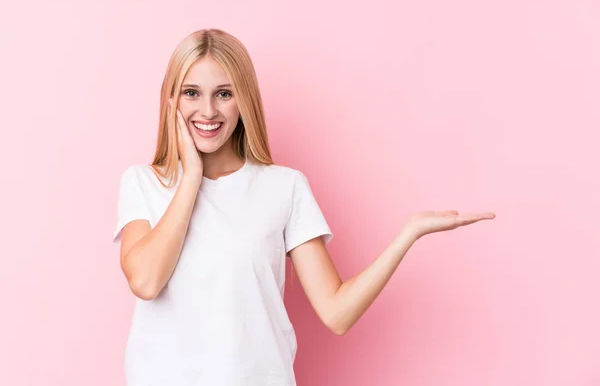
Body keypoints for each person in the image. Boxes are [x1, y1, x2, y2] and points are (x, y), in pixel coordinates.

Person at [112, 28, 495, 386]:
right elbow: (146, 281)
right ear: (172, 101)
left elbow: (337, 313)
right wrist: (191, 178)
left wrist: (408, 234)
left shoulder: (284, 187)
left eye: (224, 94)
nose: (208, 110)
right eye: (192, 93)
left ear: (244, 100)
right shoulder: (144, 183)